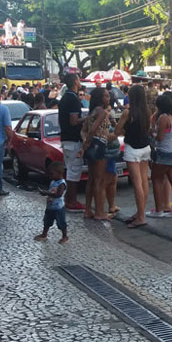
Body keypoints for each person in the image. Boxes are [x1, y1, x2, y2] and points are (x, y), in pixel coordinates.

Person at [115, 84, 151, 228]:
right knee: (144, 181)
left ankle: (141, 216)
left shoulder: (127, 113)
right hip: (145, 147)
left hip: (132, 148)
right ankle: (140, 212)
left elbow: (117, 130)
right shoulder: (147, 111)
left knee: (137, 183)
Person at [148, 94, 172, 218]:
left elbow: (160, 137)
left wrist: (152, 133)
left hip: (165, 151)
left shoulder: (163, 118)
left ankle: (159, 210)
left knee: (156, 179)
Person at [81, 87, 116, 220]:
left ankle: (88, 210)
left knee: (91, 179)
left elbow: (84, 130)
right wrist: (88, 142)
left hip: (91, 146)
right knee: (99, 180)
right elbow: (93, 129)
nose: (108, 98)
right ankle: (99, 212)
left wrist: (86, 142)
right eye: (106, 96)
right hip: (99, 145)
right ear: (100, 98)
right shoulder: (101, 111)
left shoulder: (92, 111)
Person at [58, 74, 86, 211]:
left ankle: (69, 199)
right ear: (75, 82)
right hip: (73, 139)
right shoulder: (73, 99)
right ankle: (72, 201)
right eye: (78, 79)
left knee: (70, 170)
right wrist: (87, 118)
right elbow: (74, 121)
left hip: (66, 138)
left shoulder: (65, 97)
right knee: (74, 171)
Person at [34, 161, 69, 244]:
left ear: (59, 173)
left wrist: (46, 193)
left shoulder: (61, 184)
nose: (50, 176)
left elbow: (58, 194)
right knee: (47, 221)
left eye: (52, 174)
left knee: (61, 223)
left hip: (58, 207)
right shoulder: (53, 182)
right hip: (50, 206)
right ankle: (44, 234)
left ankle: (65, 236)